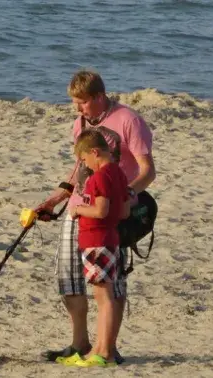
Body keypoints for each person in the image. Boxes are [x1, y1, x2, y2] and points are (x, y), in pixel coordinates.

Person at [36, 70, 156, 364]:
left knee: (110, 283)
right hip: (79, 208)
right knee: (69, 278)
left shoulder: (129, 120)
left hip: (110, 215)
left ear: (99, 97)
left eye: (83, 103)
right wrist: (54, 200)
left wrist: (126, 193)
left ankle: (107, 348)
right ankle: (79, 344)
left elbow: (147, 171)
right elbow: (78, 168)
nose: (78, 109)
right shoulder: (79, 124)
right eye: (75, 103)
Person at [58, 129, 130, 367]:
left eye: (85, 159)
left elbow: (100, 210)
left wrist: (78, 210)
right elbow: (124, 211)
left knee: (103, 297)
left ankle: (103, 352)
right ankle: (99, 349)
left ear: (94, 152)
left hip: (97, 241)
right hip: (110, 239)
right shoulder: (118, 173)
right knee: (106, 295)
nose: (84, 165)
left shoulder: (99, 177)